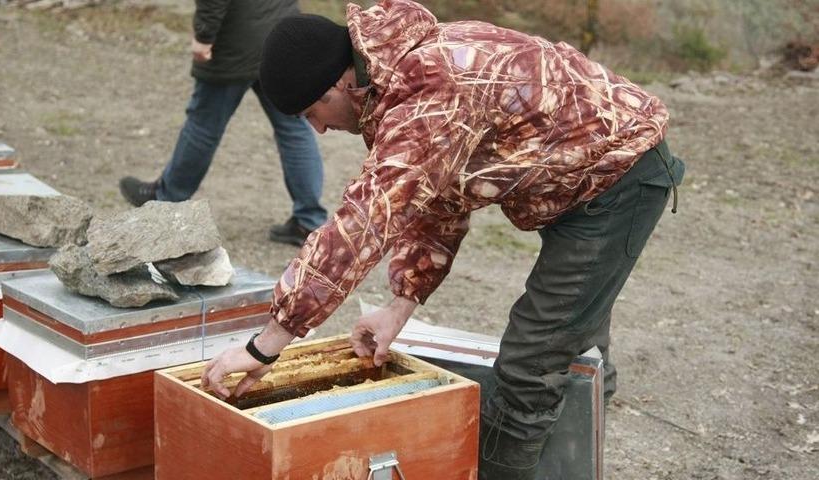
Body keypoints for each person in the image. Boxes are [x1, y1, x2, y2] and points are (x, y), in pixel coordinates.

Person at [200, 1, 685, 478]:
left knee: (528, 364)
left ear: (340, 83)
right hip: (572, 177)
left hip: (618, 178)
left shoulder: (429, 88)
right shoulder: (397, 75)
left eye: (313, 111)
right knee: (571, 327)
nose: (320, 128)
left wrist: (267, 344)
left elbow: (363, 222)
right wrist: (400, 304)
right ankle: (579, 435)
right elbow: (438, 198)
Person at [118, 0, 327, 246]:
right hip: (282, 29)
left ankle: (166, 200)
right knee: (294, 126)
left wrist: (205, 34)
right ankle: (309, 220)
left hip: (235, 39)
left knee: (203, 124)